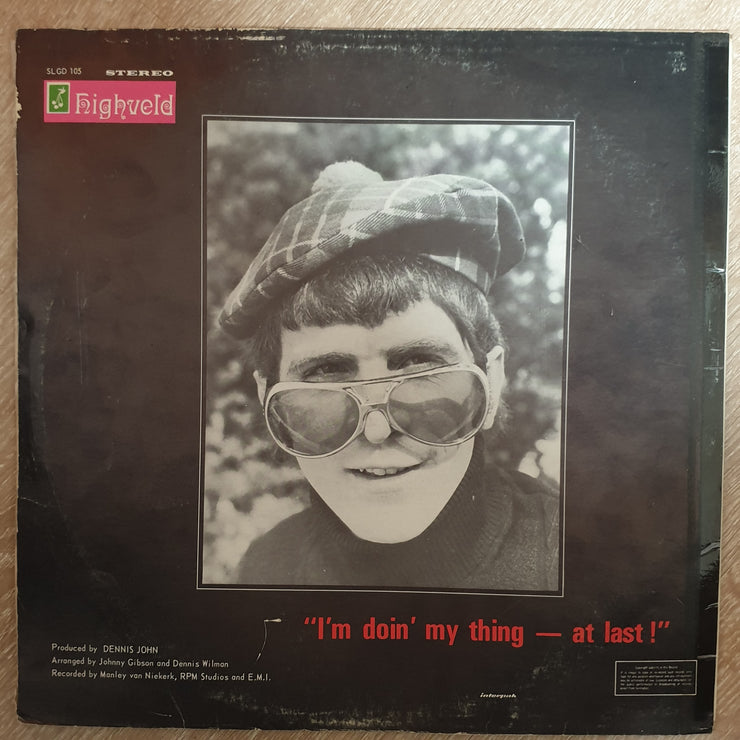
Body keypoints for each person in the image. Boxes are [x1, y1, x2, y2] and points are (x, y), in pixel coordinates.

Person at [217, 161, 560, 590]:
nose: (377, 431)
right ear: (269, 400)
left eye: (420, 365)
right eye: (326, 373)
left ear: (491, 382)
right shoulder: (265, 566)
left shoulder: (568, 556)